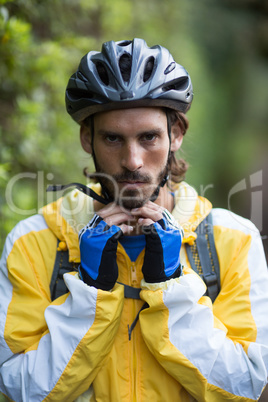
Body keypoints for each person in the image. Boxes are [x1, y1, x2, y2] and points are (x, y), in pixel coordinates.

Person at [0, 38, 267, 402]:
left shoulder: (232, 240)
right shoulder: (33, 242)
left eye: (149, 137)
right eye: (112, 138)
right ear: (86, 138)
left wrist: (173, 288)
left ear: (175, 135)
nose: (133, 160)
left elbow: (245, 386)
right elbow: (23, 391)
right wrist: (90, 293)